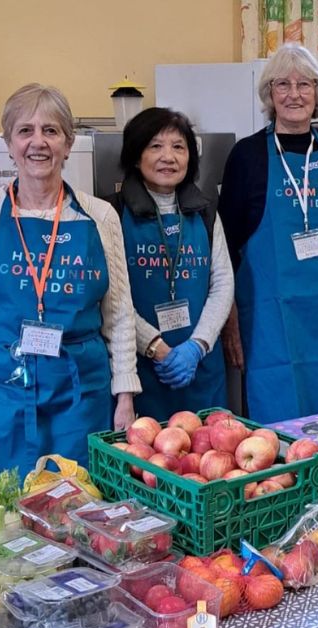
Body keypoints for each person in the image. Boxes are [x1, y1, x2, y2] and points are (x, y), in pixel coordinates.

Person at [0, 83, 140, 475]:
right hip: (1, 399)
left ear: (68, 144)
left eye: (51, 131)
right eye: (25, 131)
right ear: (8, 143)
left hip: (80, 400)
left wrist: (125, 394)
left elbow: (119, 316)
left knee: (80, 511)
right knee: (2, 516)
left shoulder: (100, 217)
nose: (39, 142)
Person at [218, 43, 318, 424]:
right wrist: (229, 319)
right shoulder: (247, 156)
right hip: (273, 321)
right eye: (282, 84)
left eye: (305, 84)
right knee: (279, 421)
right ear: (269, 94)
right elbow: (224, 247)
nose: (294, 94)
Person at [108, 107, 233, 419]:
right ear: (136, 156)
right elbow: (111, 299)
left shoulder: (204, 211)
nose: (169, 157)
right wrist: (155, 348)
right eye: (155, 146)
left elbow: (222, 284)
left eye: (179, 147)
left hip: (201, 367)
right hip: (142, 372)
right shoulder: (111, 214)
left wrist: (197, 346)